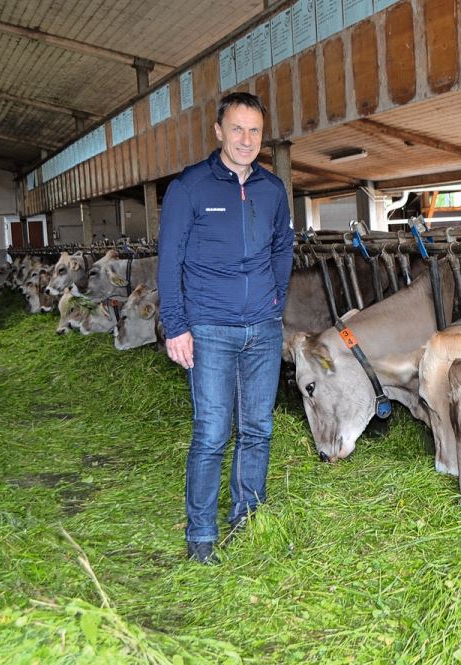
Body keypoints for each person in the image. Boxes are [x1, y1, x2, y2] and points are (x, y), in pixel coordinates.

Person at [157, 92, 294, 564]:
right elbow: (169, 259)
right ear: (218, 131)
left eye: (254, 130)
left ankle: (248, 520)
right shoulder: (190, 188)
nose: (246, 139)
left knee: (257, 429)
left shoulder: (272, 190)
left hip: (263, 328)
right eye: (237, 129)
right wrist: (175, 325)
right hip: (209, 328)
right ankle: (201, 536)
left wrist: (274, 299)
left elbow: (283, 247)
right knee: (212, 431)